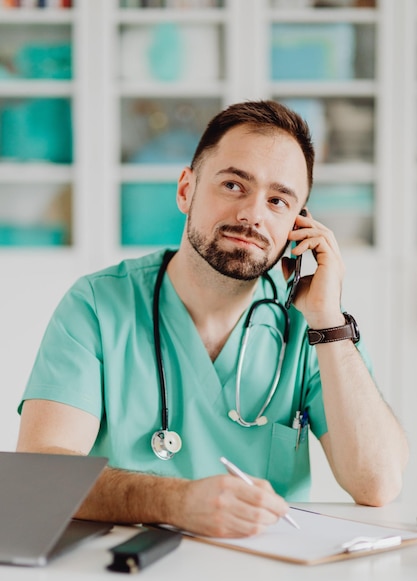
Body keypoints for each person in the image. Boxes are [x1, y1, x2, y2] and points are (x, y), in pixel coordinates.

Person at [16, 100, 408, 539]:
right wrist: (176, 502)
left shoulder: (310, 327)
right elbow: (42, 474)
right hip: (127, 577)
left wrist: (328, 319)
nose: (253, 214)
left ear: (298, 225)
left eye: (278, 200)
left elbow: (378, 483)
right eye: (234, 185)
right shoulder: (98, 304)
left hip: (270, 579)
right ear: (186, 190)